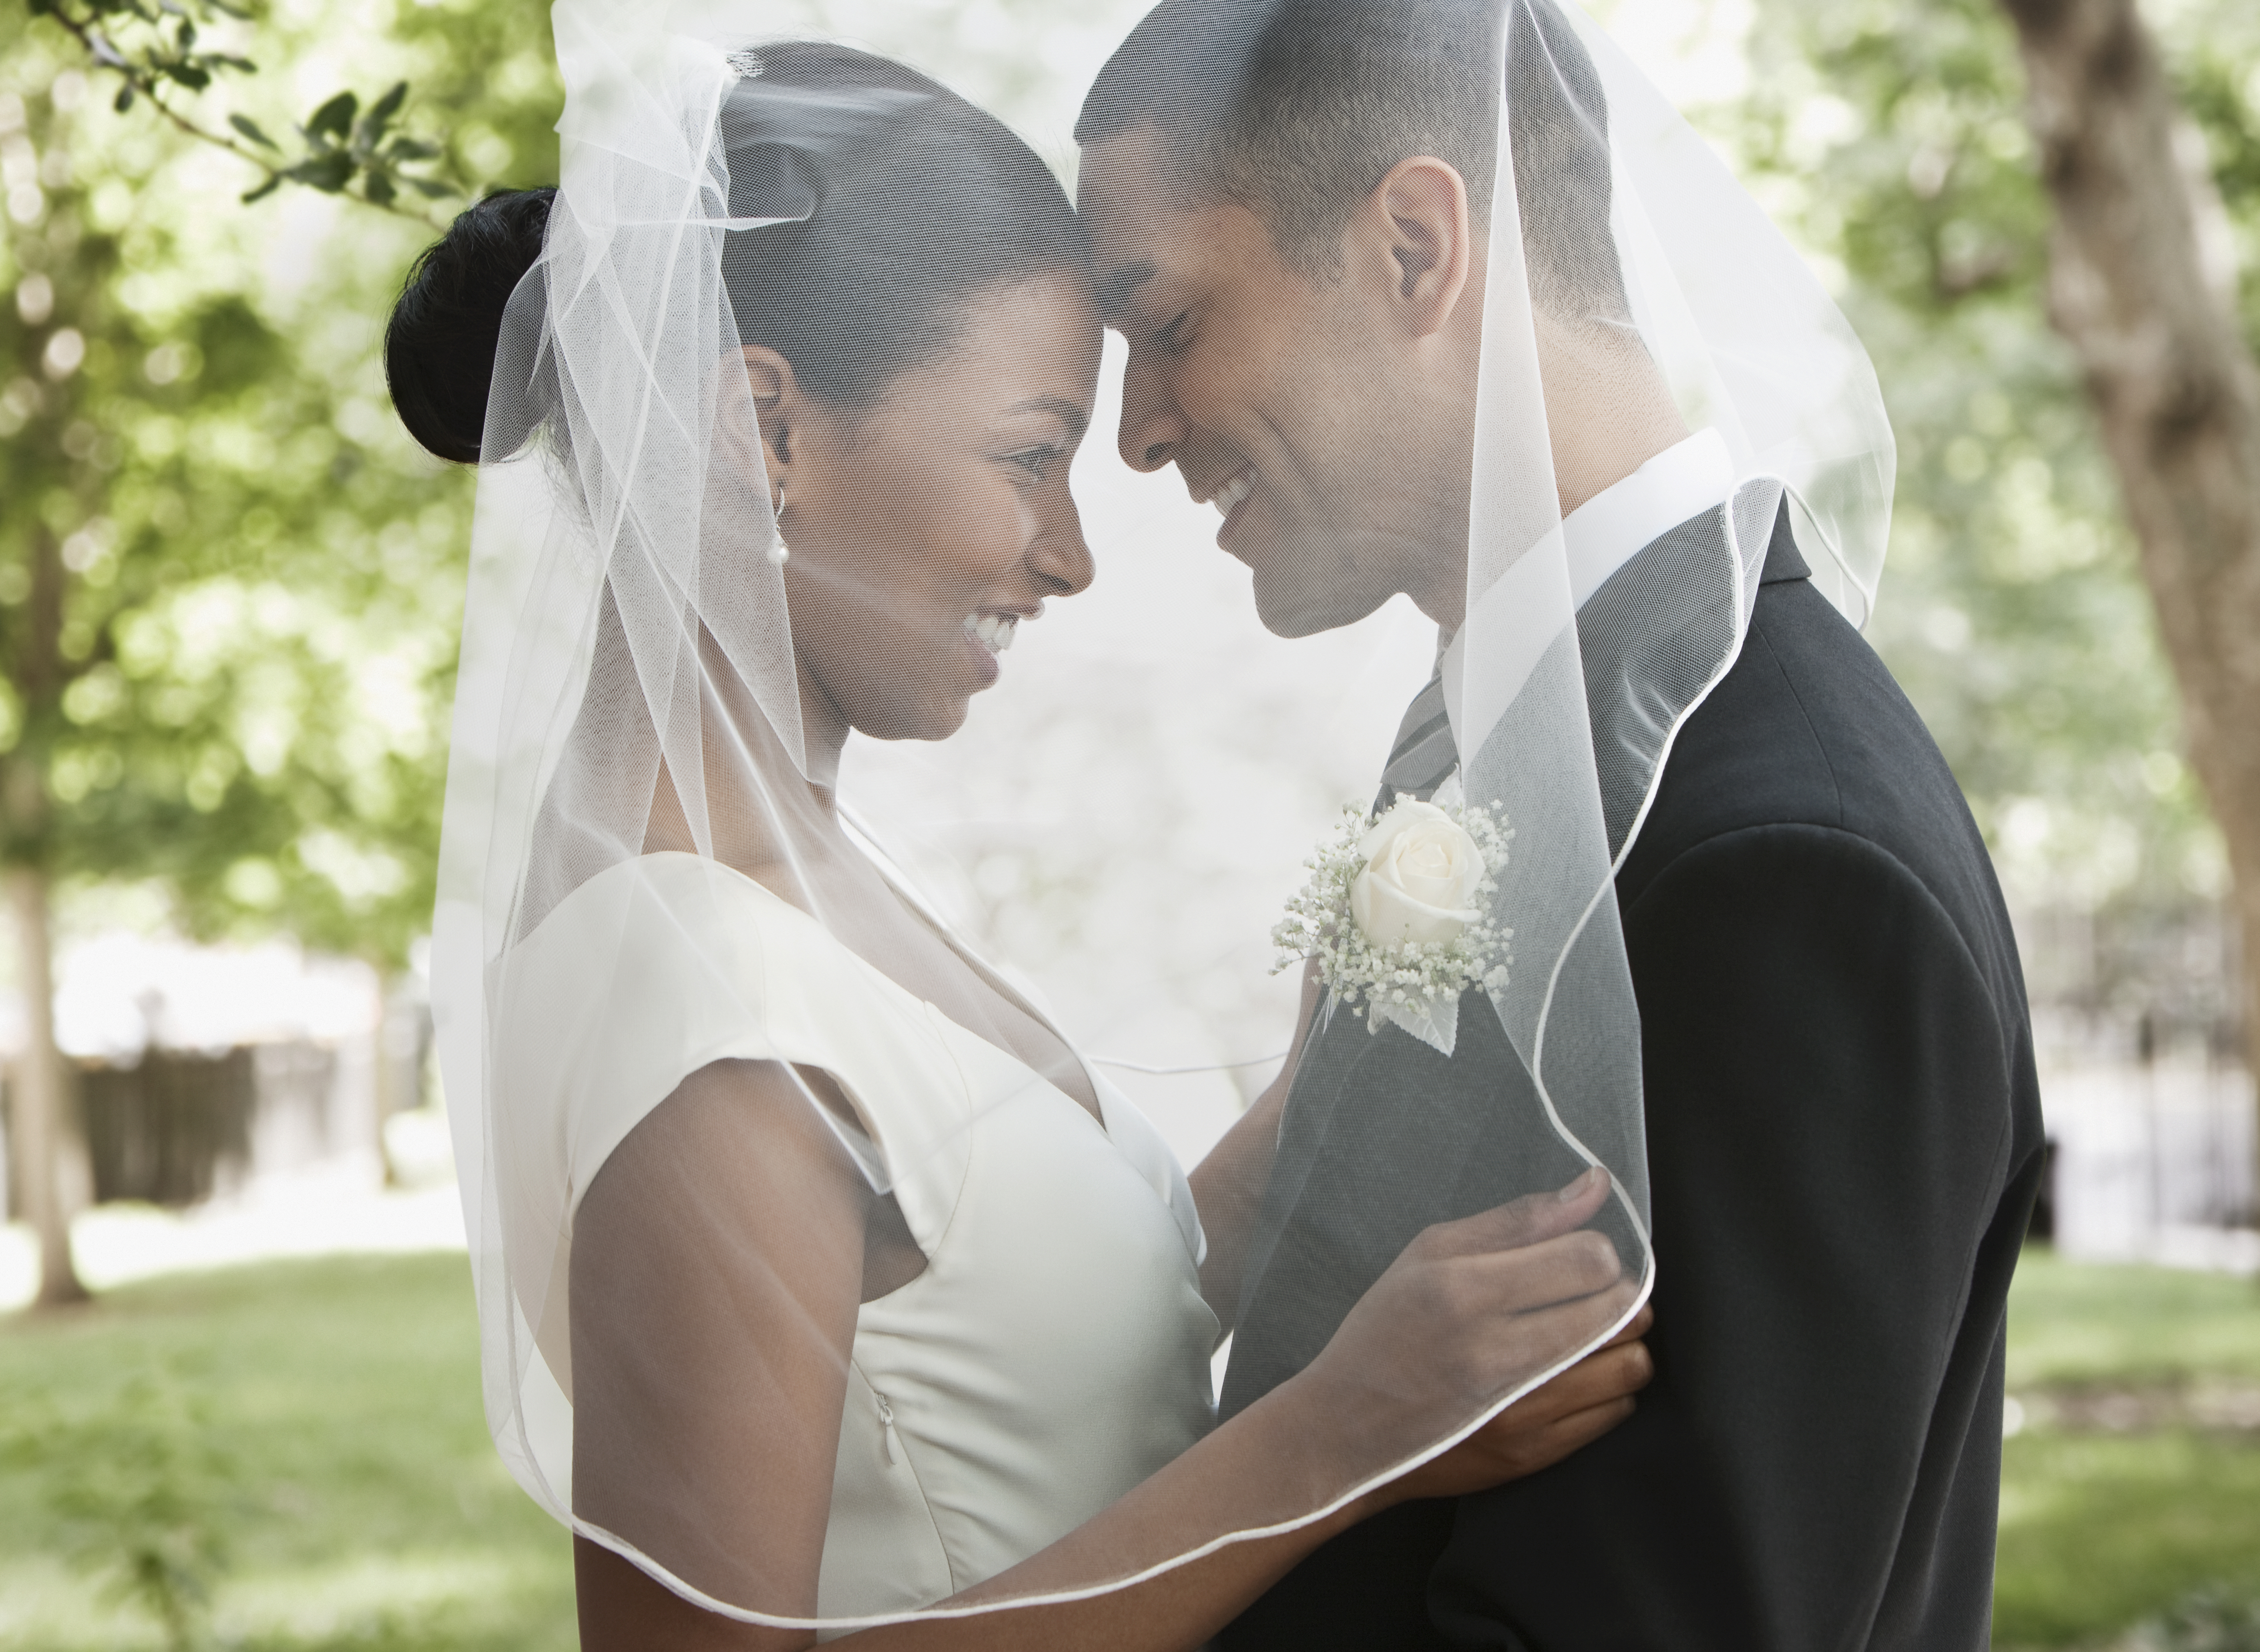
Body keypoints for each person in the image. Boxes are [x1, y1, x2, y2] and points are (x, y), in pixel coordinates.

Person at [390, 18, 1652, 1650]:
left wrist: (1342, 1065)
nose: (1070, 557)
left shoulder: (789, 889)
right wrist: (1337, 1443)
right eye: (1030, 456)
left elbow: (994, 1346)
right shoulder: (702, 1010)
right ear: (763, 428)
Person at [1073, 0, 2046, 1647]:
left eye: (1167, 321)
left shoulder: (1779, 870)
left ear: (1413, 246)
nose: (1140, 427)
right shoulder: (1523, 749)